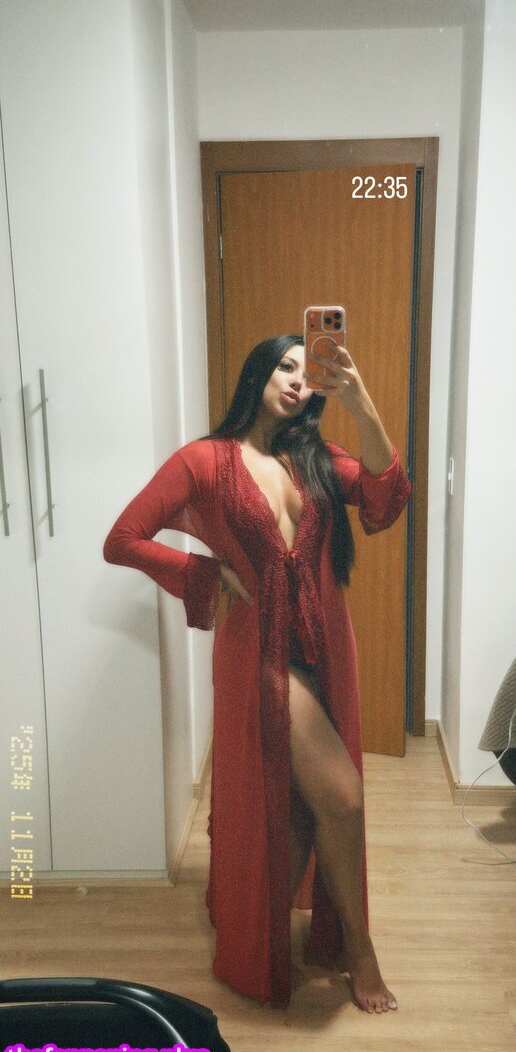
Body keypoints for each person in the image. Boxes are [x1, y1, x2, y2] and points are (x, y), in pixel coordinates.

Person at [103, 334, 411, 1014]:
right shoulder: (204, 461)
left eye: (309, 373)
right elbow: (122, 539)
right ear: (258, 373)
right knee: (343, 797)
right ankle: (358, 950)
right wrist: (205, 572)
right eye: (285, 366)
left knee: (299, 804)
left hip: (325, 650)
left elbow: (386, 499)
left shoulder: (317, 458)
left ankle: (264, 933)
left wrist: (361, 401)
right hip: (259, 654)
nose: (298, 380)